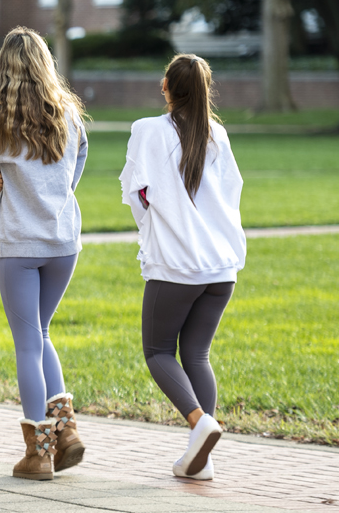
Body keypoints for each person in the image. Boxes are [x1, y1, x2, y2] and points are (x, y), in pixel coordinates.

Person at [119, 54, 246, 481]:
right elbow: (231, 196)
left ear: (166, 87)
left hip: (176, 265)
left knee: (157, 352)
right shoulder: (219, 137)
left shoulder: (147, 131)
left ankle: (200, 423)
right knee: (196, 353)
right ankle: (201, 461)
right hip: (221, 266)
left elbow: (135, 192)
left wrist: (154, 227)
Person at [0, 27, 89, 481]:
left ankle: (39, 453)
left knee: (27, 343)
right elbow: (77, 165)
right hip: (63, 242)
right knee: (41, 334)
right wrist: (54, 192)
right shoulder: (69, 114)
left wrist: (3, 180)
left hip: (19, 243)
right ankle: (67, 432)